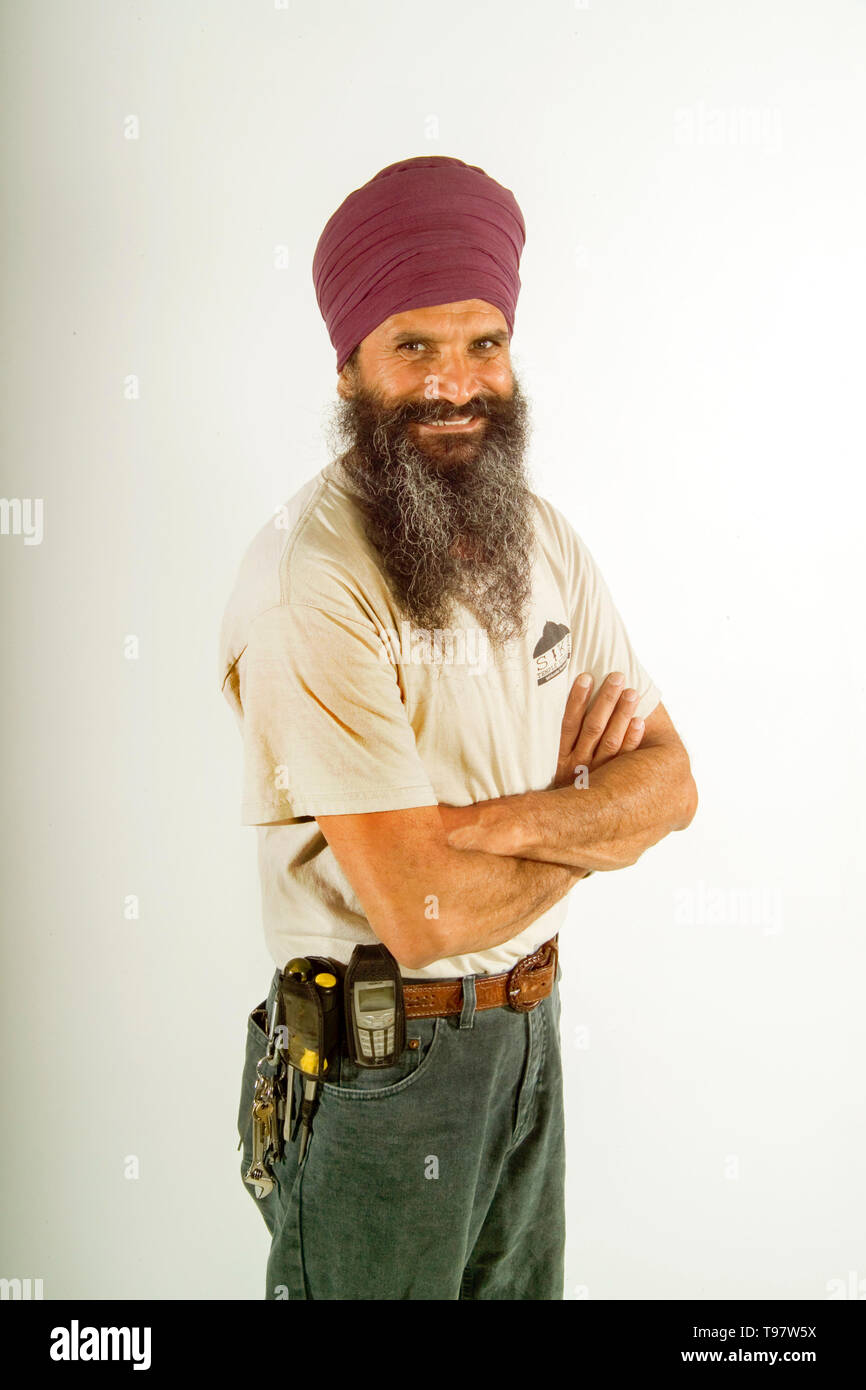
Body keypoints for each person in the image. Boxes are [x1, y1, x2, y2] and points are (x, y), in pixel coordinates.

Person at [219, 155, 698, 1300]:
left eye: (481, 342)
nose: (455, 383)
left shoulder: (543, 536)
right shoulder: (311, 580)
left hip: (530, 1040)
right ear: (350, 368)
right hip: (380, 1073)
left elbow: (671, 782)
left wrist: (505, 825)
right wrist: (593, 818)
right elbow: (423, 915)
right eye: (414, 349)